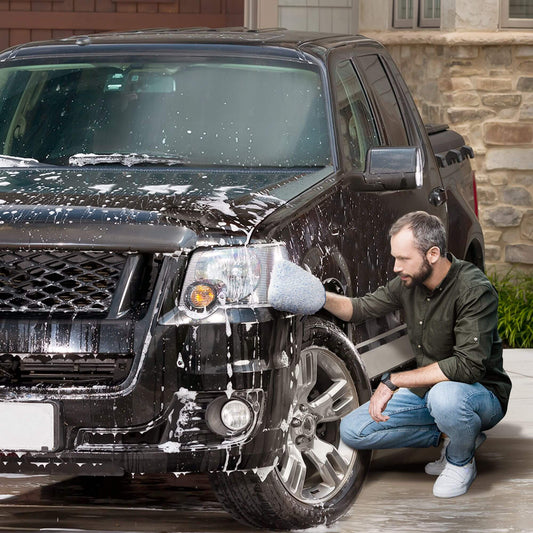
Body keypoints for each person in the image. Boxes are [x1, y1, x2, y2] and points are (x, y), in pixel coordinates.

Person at [269, 210, 512, 498]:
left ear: (432, 254)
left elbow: (468, 366)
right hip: (430, 391)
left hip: (480, 394)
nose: (396, 267)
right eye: (395, 257)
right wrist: (317, 295)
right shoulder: (409, 283)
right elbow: (359, 309)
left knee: (445, 398)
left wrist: (394, 380)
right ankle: (459, 435)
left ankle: (461, 461)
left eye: (403, 258)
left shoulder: (474, 290)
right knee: (353, 430)